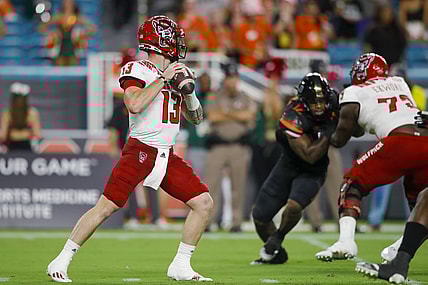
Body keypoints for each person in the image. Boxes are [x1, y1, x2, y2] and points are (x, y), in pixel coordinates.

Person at [46, 15, 213, 282]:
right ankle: (62, 258)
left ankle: (181, 265)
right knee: (106, 207)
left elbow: (197, 118)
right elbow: (134, 104)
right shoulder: (137, 69)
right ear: (160, 41)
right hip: (141, 149)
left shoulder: (177, 71)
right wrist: (163, 80)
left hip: (166, 153)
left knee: (203, 203)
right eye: (174, 39)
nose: (180, 44)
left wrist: (190, 93)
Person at [315, 53, 428, 283]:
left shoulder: (354, 91)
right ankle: (400, 252)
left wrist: (326, 131)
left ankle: (346, 241)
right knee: (422, 202)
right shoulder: (400, 82)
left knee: (352, 183)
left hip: (400, 141)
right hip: (425, 138)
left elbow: (342, 137)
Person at [251, 73, 339, 264]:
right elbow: (309, 155)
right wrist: (329, 132)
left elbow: (353, 130)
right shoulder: (293, 115)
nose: (318, 105)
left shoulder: (335, 101)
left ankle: (278, 237)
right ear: (304, 100)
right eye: (313, 101)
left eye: (322, 100)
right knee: (260, 216)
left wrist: (343, 127)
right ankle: (278, 254)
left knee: (294, 206)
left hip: (314, 170)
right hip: (290, 164)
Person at [204, 62, 257, 232]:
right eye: (229, 78)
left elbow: (250, 115)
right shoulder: (214, 96)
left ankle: (236, 222)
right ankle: (209, 221)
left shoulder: (245, 97)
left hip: (238, 146)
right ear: (224, 79)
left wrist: (225, 113)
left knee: (238, 186)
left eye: (234, 78)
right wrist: (237, 115)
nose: (231, 82)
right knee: (211, 185)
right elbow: (212, 116)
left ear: (237, 79)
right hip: (218, 145)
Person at [39, 0, 96, 66]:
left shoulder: (77, 18)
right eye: (66, 2)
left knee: (72, 69)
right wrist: (52, 33)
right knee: (59, 70)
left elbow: (92, 29)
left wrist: (82, 35)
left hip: (72, 48)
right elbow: (41, 27)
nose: (68, 4)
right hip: (60, 48)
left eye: (70, 3)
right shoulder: (59, 17)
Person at [0, 82, 41, 152]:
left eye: (21, 98)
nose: (19, 101)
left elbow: (37, 134)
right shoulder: (7, 114)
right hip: (11, 147)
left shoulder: (32, 113)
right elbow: (2, 135)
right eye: (17, 98)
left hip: (26, 146)